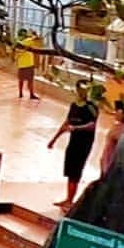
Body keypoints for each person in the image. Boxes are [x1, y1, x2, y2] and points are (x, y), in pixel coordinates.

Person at [48, 81, 99, 209]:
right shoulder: (74, 106)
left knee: (76, 171)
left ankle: (70, 201)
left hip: (84, 143)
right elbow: (67, 123)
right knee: (70, 170)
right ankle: (68, 198)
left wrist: (76, 128)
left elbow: (92, 126)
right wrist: (54, 139)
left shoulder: (91, 107)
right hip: (73, 142)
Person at [100, 100, 124, 178]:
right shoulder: (118, 126)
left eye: (117, 111)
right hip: (106, 163)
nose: (115, 113)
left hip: (111, 167)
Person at [15, 33, 39, 100]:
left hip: (22, 65)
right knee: (30, 81)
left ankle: (21, 93)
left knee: (21, 80)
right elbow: (36, 37)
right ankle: (31, 94)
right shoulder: (27, 41)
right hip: (28, 64)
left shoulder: (19, 43)